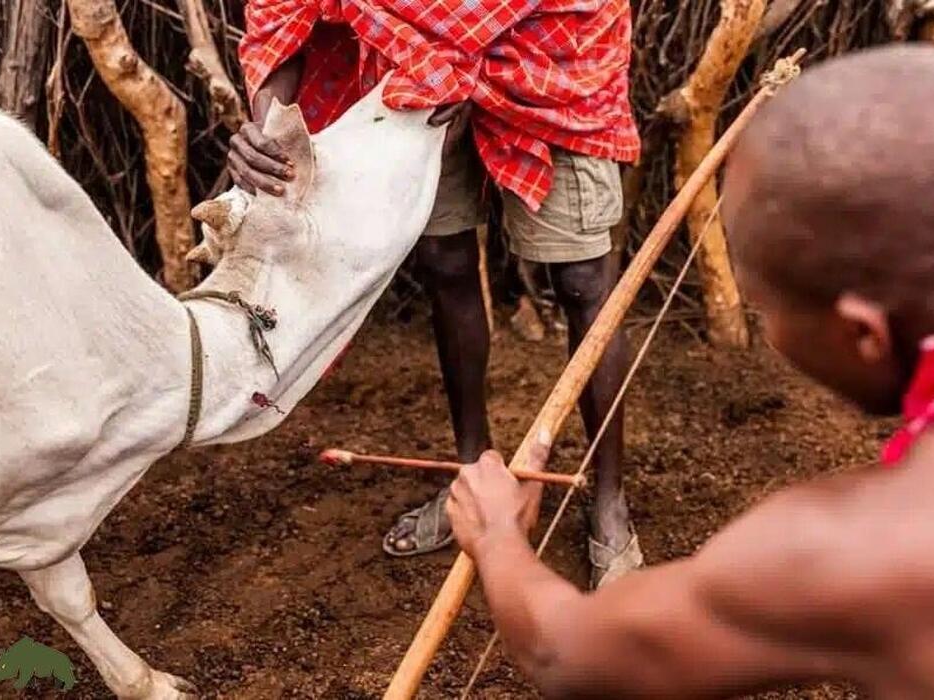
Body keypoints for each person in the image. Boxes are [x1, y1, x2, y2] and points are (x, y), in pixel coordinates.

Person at [445, 45, 934, 698]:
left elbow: (566, 650)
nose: (767, 329)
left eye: (765, 308)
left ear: (864, 334)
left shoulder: (869, 549)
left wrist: (498, 536)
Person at [233, 0, 642, 587]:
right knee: (443, 262)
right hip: (417, 70)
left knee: (582, 281)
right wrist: (273, 130)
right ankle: (470, 471)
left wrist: (454, 46)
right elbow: (285, 7)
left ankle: (609, 501)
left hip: (553, 58)